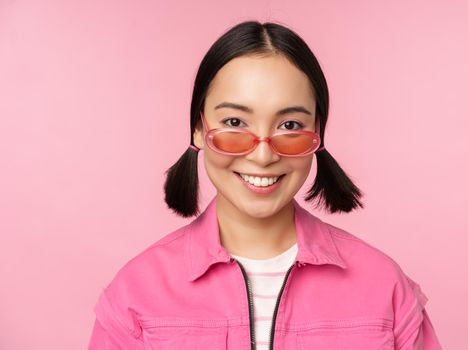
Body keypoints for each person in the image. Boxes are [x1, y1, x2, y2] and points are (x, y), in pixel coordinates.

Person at [87, 20, 443, 350]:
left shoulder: (385, 288)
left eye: (288, 125)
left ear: (317, 133)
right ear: (198, 128)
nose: (262, 155)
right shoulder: (135, 294)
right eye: (234, 121)